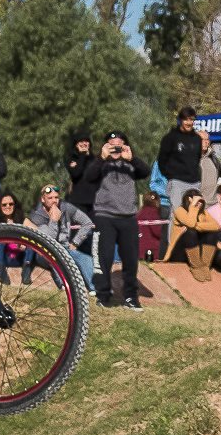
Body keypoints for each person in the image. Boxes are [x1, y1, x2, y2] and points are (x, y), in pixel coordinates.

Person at [84, 130, 150, 310]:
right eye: (111, 145)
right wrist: (101, 158)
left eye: (119, 145)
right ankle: (103, 295)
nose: (115, 148)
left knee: (130, 260)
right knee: (104, 258)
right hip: (105, 216)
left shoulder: (130, 164)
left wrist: (132, 159)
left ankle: (131, 298)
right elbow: (88, 177)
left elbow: (145, 172)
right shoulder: (100, 163)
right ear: (105, 146)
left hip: (128, 217)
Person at [26, 184, 96, 296]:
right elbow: (48, 240)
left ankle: (93, 289)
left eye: (56, 197)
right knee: (55, 256)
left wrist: (75, 242)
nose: (54, 201)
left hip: (65, 248)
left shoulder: (66, 207)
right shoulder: (37, 215)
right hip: (44, 251)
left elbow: (87, 223)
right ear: (43, 199)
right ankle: (64, 286)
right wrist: (54, 220)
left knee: (85, 259)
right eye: (50, 198)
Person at [157, 106, 203, 225]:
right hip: (177, 182)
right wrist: (171, 176)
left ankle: (191, 238)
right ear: (180, 120)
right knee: (177, 215)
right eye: (186, 119)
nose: (189, 123)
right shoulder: (170, 138)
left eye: (191, 120)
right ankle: (174, 238)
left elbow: (197, 159)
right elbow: (161, 160)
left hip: (194, 182)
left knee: (194, 214)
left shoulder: (197, 139)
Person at [163, 189, 220, 281]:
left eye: (201, 201)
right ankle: (196, 267)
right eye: (197, 200)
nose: (200, 203)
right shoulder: (180, 211)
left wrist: (198, 226)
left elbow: (216, 226)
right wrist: (193, 206)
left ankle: (205, 266)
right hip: (179, 250)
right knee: (190, 232)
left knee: (212, 234)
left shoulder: (203, 213)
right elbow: (191, 223)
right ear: (189, 199)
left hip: (196, 250)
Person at [0, 192, 34, 285]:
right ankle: (1, 271)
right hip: (0, 257)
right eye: (4, 204)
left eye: (11, 204)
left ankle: (26, 271)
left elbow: (38, 233)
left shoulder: (22, 220)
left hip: (18, 258)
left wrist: (24, 242)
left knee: (32, 239)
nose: (8, 206)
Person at [65, 132, 99, 216]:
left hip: (94, 202)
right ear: (76, 144)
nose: (84, 143)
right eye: (81, 141)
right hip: (78, 201)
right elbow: (76, 173)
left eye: (86, 141)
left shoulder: (95, 159)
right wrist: (82, 155)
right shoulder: (71, 159)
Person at [197, 130, 221, 204]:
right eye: (202, 139)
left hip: (215, 203)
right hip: (197, 204)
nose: (206, 142)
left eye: (207, 139)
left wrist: (218, 189)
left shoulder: (213, 158)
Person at [137, 191, 163, 262]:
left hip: (140, 248)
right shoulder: (153, 212)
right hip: (152, 248)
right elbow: (157, 231)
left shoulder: (140, 212)